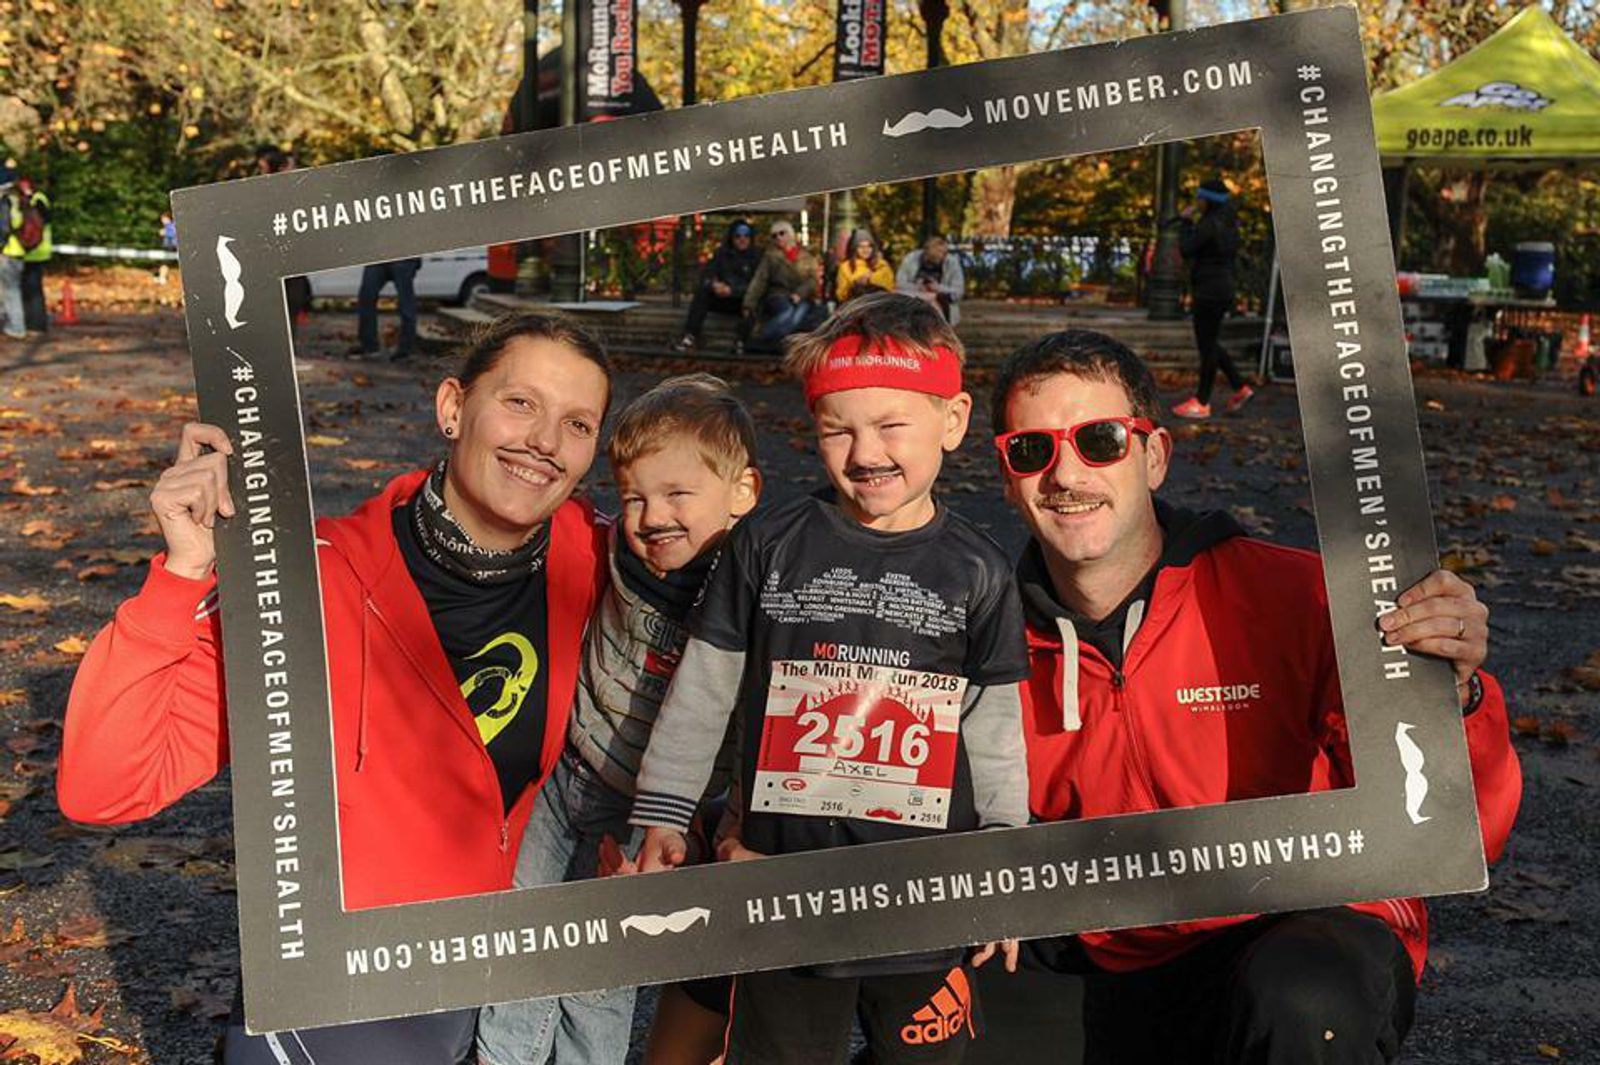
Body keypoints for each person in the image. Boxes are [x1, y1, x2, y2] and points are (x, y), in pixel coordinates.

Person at [57, 313, 614, 1064]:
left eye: (577, 423)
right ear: (453, 407)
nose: (545, 441)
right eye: (520, 403)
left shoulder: (596, 555)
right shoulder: (308, 583)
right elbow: (103, 787)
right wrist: (183, 573)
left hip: (482, 985)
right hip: (332, 1000)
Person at [969, 329, 1522, 1065]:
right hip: (1097, 950)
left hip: (1285, 928)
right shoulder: (977, 636)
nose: (1066, 474)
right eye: (1032, 450)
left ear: (1154, 456)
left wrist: (1452, 692)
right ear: (1007, 477)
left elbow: (1462, 828)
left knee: (1307, 997)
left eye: (1101, 441)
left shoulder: (1300, 596)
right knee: (928, 1014)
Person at [630, 291, 1030, 1065]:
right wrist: (667, 813)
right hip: (782, 890)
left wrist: (1003, 853)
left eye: (891, 425)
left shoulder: (980, 570)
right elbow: (706, 685)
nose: (864, 452)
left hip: (923, 899)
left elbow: (994, 726)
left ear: (952, 420)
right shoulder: (766, 544)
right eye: (836, 429)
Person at [475, 373, 761, 1065]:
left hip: (649, 810)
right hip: (567, 771)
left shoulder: (758, 593)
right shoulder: (614, 548)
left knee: (600, 966)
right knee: (523, 935)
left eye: (677, 494)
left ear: (743, 492)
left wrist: (726, 821)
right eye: (635, 497)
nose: (652, 516)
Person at [1171, 177, 1252, 419]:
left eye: (1200, 197)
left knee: (1207, 346)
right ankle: (1240, 387)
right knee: (1211, 342)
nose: (1197, 201)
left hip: (1209, 290)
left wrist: (1186, 222)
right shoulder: (1228, 222)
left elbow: (1187, 249)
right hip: (1222, 288)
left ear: (1208, 200)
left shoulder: (1209, 224)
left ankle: (1202, 402)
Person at [672, 220, 761, 354]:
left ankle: (741, 343)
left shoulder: (757, 257)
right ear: (732, 238)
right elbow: (707, 274)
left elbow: (758, 284)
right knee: (702, 293)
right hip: (722, 298)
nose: (742, 239)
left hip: (743, 300)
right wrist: (714, 284)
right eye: (738, 236)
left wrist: (733, 290)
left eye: (746, 236)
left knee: (754, 305)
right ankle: (690, 336)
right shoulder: (722, 254)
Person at [739, 218, 824, 353]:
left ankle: (766, 341)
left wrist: (800, 293)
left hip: (802, 297)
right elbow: (759, 280)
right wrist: (748, 303)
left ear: (791, 234)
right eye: (774, 235)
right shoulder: (770, 257)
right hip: (778, 295)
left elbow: (813, 280)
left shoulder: (807, 257)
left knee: (798, 315)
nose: (778, 237)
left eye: (782, 233)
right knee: (788, 312)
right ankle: (760, 337)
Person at [356, 257, 424, 361]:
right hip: (379, 257)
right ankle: (369, 347)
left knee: (405, 302)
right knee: (366, 297)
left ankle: (405, 350)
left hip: (404, 258)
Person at [896, 236, 965, 326]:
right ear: (926, 254)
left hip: (941, 305)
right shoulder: (911, 259)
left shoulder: (952, 263)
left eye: (944, 254)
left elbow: (958, 292)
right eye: (933, 259)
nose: (941, 258)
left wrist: (938, 288)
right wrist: (918, 287)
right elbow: (899, 284)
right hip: (914, 301)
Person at [13, 175, 51, 333]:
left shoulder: (37, 200)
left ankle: (36, 324)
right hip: (33, 251)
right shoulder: (38, 199)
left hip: (35, 251)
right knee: (30, 290)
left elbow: (40, 221)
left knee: (33, 291)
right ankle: (32, 322)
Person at [0, 167, 29, 340]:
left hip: (7, 252)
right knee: (11, 290)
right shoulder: (18, 199)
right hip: (18, 251)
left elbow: (4, 228)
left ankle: (16, 327)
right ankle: (13, 324)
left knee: (10, 292)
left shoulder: (5, 202)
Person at [833, 227, 895, 306]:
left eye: (869, 246)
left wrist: (871, 280)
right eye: (861, 247)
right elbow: (841, 295)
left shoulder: (882, 265)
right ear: (855, 248)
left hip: (880, 306)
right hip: (857, 307)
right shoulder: (846, 267)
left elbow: (891, 288)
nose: (865, 250)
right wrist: (856, 283)